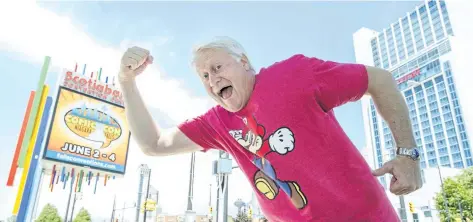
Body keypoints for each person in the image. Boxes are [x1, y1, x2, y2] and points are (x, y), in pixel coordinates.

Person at [118, 37, 422, 222]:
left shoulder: (293, 75)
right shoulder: (217, 122)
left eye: (218, 67)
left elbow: (379, 80)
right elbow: (153, 143)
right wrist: (126, 82)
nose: (211, 79)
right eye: (204, 76)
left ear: (245, 62)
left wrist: (407, 155)